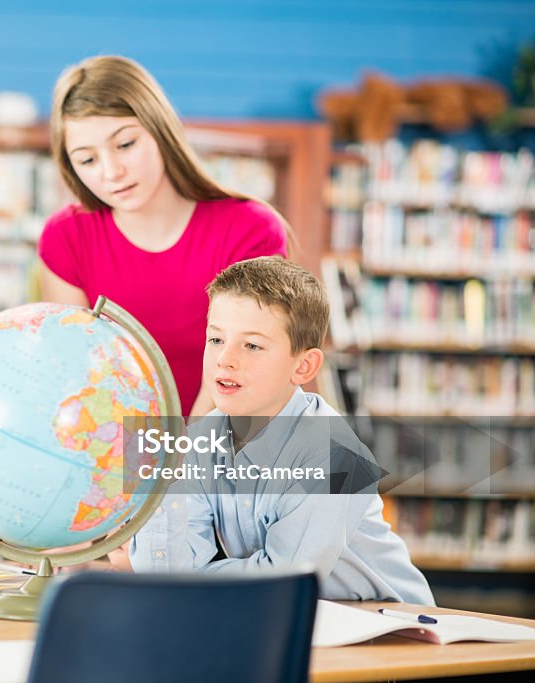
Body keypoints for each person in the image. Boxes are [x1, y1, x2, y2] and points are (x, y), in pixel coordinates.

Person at [130, 256, 434, 604]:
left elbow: (282, 582)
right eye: (215, 340)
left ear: (303, 366)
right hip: (288, 620)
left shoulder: (337, 458)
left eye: (252, 345)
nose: (224, 359)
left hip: (393, 629)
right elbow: (165, 571)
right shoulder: (199, 441)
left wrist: (195, 578)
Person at [38, 55, 288, 417]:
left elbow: (245, 372)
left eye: (125, 144)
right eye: (87, 160)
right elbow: (76, 374)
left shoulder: (250, 230)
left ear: (160, 129)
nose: (112, 171)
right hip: (111, 450)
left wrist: (182, 458)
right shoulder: (67, 238)